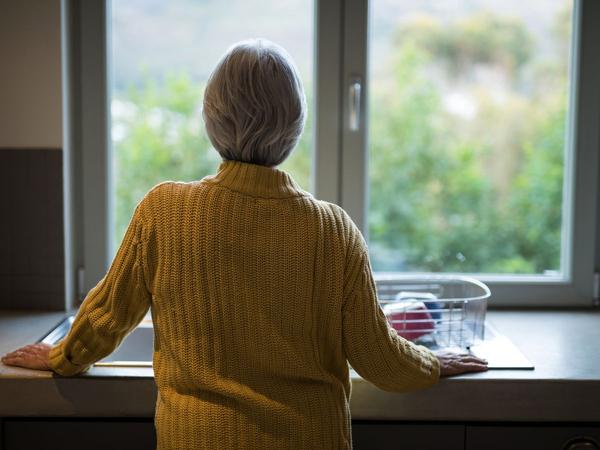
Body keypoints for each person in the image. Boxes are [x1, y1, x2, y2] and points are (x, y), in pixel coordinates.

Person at [1, 38, 487, 449]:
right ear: (295, 126)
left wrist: (65, 357)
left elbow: (108, 315)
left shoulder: (165, 210)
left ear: (212, 119)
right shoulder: (332, 230)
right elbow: (379, 359)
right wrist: (431, 364)